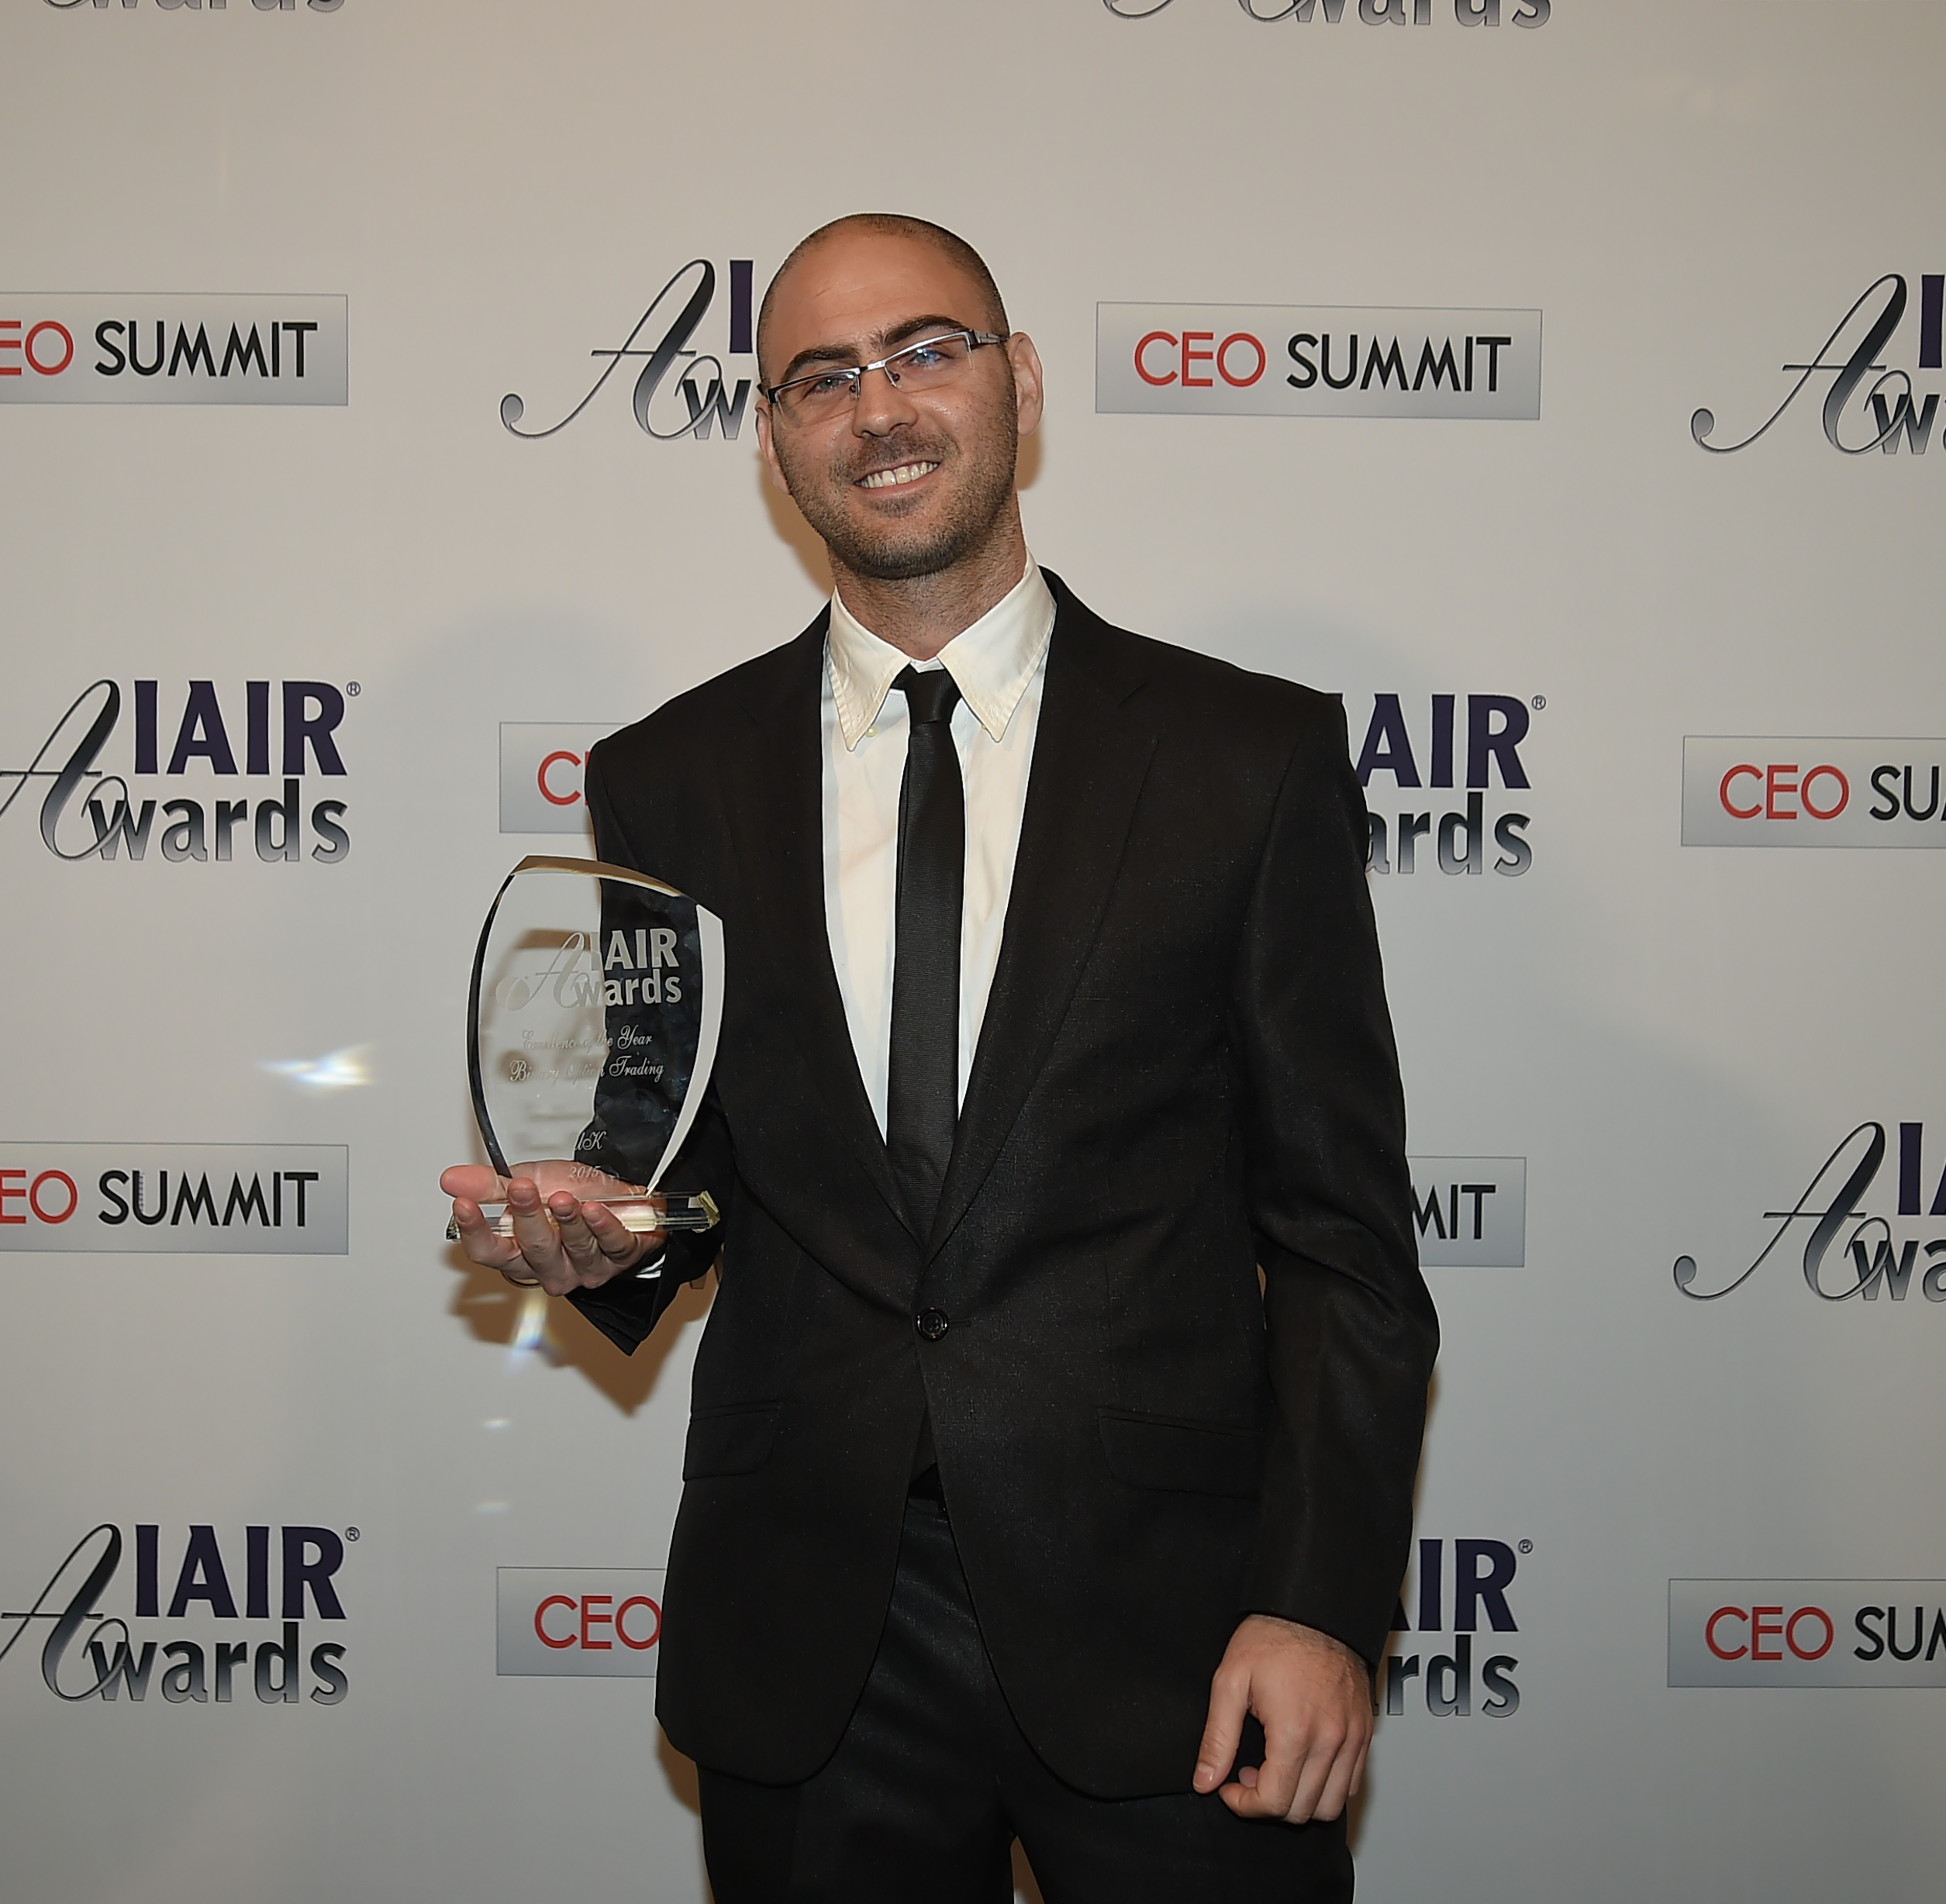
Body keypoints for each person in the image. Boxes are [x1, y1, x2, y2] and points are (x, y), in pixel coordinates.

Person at [444, 213, 1434, 1903]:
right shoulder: (668, 776)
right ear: (774, 439)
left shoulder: (1245, 756)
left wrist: (1319, 1600)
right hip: (812, 1633)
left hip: (1180, 1629)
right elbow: (682, 1171)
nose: (879, 408)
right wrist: (600, 1242)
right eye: (821, 377)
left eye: (926, 351)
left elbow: (1342, 1237)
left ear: (1020, 382)